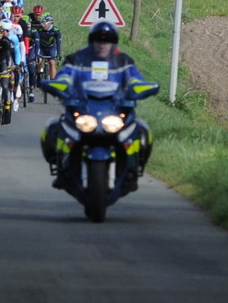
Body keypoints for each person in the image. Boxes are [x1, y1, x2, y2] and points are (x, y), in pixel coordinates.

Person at [43, 21, 159, 190]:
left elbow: (135, 79)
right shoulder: (76, 60)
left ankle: (133, 169)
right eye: (98, 39)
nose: (103, 44)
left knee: (142, 130)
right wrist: (60, 85)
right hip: (83, 109)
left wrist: (139, 88)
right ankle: (62, 168)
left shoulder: (124, 61)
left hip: (114, 110)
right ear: (92, 41)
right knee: (52, 128)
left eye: (107, 40)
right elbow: (64, 76)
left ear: (114, 41)